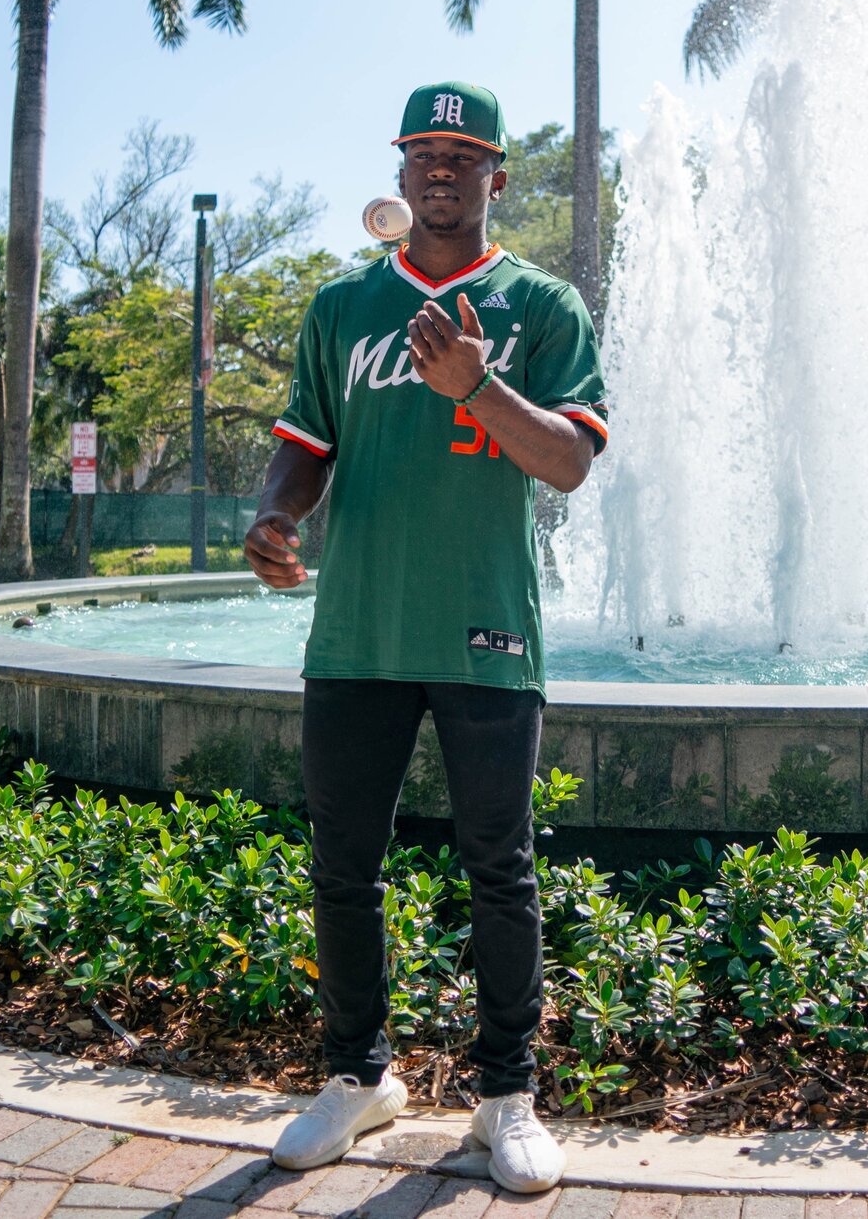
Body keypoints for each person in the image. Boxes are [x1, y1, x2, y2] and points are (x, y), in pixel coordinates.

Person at [244, 82, 607, 1194]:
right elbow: (306, 441)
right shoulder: (340, 305)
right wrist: (275, 514)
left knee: (499, 867)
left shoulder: (542, 305)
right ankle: (358, 1078)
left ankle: (506, 1097)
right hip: (355, 627)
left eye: (463, 154)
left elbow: (568, 461)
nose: (441, 170)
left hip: (487, 627)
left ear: (498, 176)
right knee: (342, 864)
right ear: (399, 176)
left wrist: (477, 382)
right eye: (423, 153)